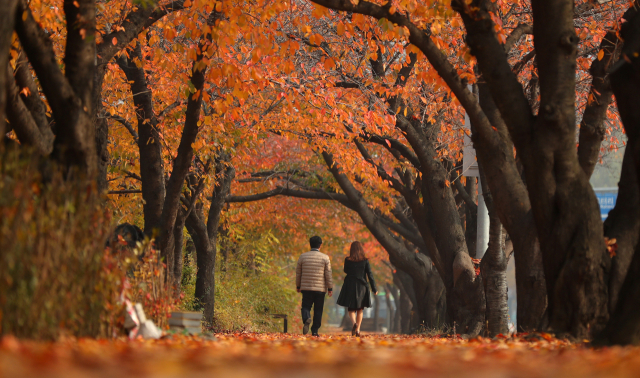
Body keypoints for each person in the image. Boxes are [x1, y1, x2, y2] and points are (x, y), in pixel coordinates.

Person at [336, 241, 377, 337]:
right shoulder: (365, 261)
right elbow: (370, 275)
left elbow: (346, 270)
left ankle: (354, 323)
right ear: (361, 249)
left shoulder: (347, 260)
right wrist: (374, 288)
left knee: (351, 309)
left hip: (350, 285)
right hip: (362, 286)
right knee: (360, 309)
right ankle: (358, 330)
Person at [295, 235, 333, 336]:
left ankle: (306, 318)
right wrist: (330, 288)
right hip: (320, 289)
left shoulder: (303, 256)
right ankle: (315, 330)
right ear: (320, 245)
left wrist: (298, 286)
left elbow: (298, 273)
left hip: (306, 288)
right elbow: (328, 274)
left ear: (310, 244)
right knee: (318, 309)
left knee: (306, 307)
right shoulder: (325, 257)